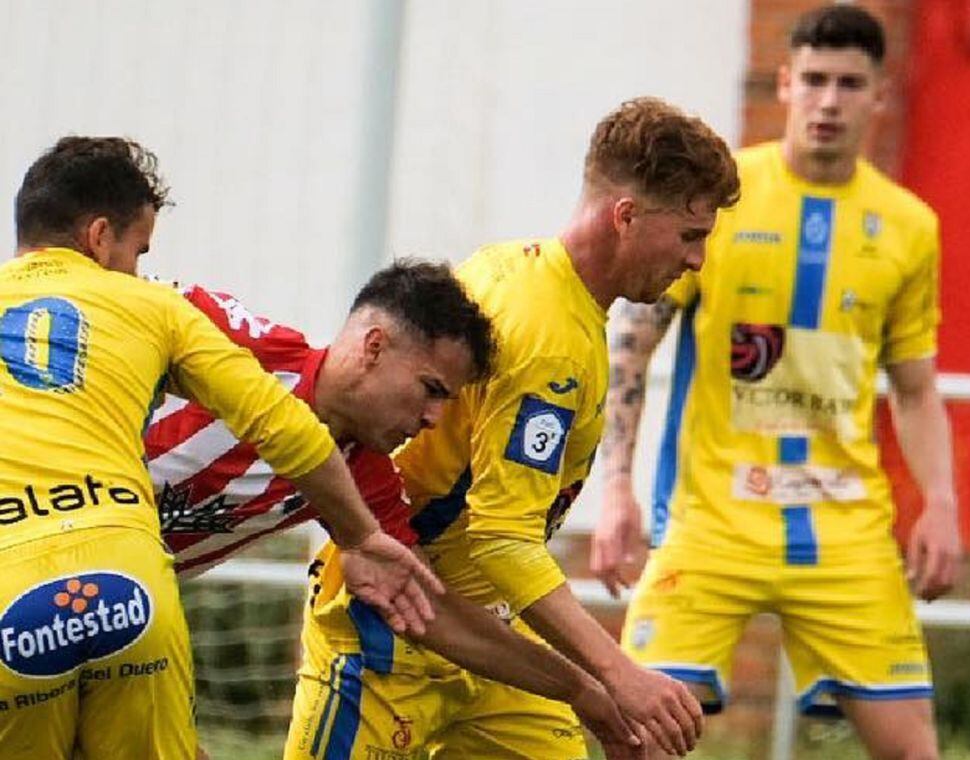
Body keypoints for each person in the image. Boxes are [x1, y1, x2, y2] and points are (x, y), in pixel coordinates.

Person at [289, 96, 741, 759]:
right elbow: (503, 539)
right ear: (626, 217)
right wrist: (619, 675)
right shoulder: (547, 337)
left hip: (491, 645)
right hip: (394, 626)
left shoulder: (522, 269)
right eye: (691, 235)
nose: (699, 260)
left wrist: (594, 688)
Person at [591, 6, 962, 759]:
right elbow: (635, 341)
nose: (829, 101)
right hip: (711, 521)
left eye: (849, 84)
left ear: (878, 96)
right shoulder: (724, 197)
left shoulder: (910, 225)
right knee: (642, 734)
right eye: (815, 81)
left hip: (844, 527)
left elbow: (916, 389)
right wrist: (617, 487)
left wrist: (944, 503)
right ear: (786, 84)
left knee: (914, 750)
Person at [0, 137, 440, 760]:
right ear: (100, 238)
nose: (139, 270)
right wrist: (360, 536)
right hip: (129, 580)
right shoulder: (156, 307)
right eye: (137, 251)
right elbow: (285, 425)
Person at [146, 262, 638, 757]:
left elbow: (432, 611)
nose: (433, 419)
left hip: (129, 600)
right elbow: (95, 290)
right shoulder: (237, 341)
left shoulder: (367, 478)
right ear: (374, 346)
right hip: (78, 555)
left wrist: (580, 688)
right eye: (431, 390)